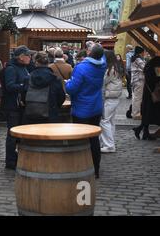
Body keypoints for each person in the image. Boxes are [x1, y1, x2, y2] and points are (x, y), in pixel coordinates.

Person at [66, 44, 107, 179]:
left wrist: (67, 83)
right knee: (94, 139)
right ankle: (95, 169)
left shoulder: (81, 67)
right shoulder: (102, 65)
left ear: (89, 53)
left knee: (80, 140)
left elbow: (72, 89)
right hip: (96, 106)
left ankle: (79, 167)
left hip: (82, 109)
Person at [3, 45, 32, 170]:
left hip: (21, 106)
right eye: (28, 55)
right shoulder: (11, 69)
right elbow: (9, 86)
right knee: (12, 134)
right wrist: (24, 86)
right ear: (21, 57)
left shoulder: (24, 68)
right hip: (13, 106)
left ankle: (18, 158)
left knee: (20, 134)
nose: (30, 58)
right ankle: (10, 161)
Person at [24, 52, 65, 124]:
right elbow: (61, 97)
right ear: (48, 62)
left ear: (35, 62)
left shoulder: (28, 78)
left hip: (31, 113)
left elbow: (23, 95)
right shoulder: (55, 79)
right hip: (50, 115)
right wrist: (54, 106)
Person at [100, 51, 123, 153]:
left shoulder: (110, 69)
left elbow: (103, 81)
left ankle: (109, 145)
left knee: (104, 120)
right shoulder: (116, 67)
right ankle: (110, 142)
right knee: (110, 121)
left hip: (110, 97)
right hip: (114, 97)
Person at [132, 56, 160, 141]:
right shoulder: (155, 67)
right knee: (150, 113)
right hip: (153, 93)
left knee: (148, 113)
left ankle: (142, 131)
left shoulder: (149, 66)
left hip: (149, 93)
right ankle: (143, 131)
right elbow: (154, 79)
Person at [131, 46, 146, 120]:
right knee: (138, 98)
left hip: (135, 80)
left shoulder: (135, 58)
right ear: (140, 52)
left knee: (135, 97)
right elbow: (145, 67)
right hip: (139, 80)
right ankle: (136, 114)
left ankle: (135, 113)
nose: (144, 53)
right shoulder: (138, 60)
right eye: (143, 52)